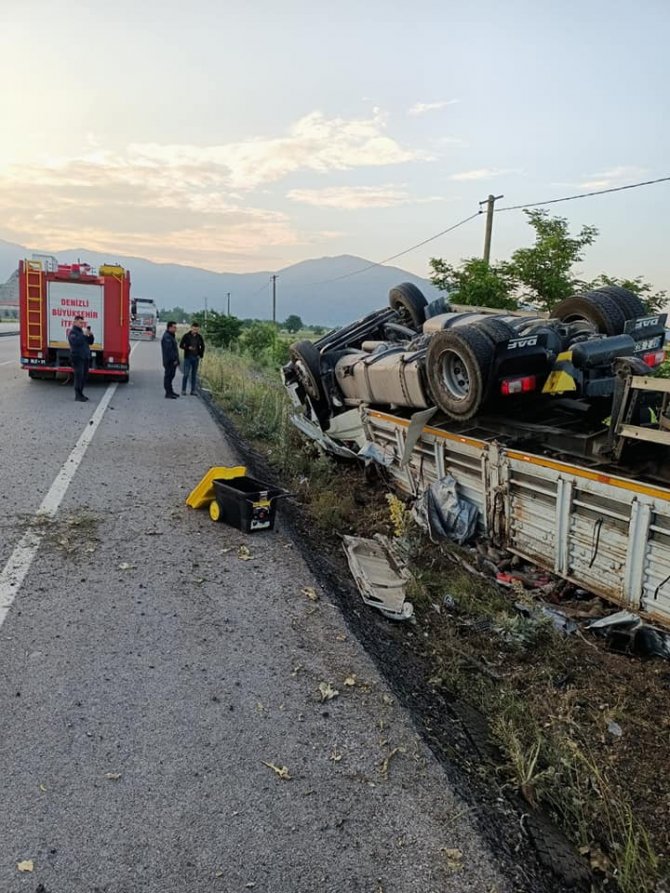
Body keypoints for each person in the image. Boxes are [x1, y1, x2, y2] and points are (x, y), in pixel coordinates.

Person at [68, 315, 94, 402]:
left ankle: (81, 393)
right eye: (80, 322)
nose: (81, 324)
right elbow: (75, 342)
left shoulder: (82, 332)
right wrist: (84, 336)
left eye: (83, 323)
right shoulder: (73, 333)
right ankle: (77, 395)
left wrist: (90, 335)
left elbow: (90, 342)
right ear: (75, 322)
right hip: (77, 357)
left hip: (85, 357)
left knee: (84, 376)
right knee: (79, 376)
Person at [179, 321, 205, 395]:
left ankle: (193, 390)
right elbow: (181, 345)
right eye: (194, 329)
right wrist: (187, 347)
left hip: (196, 358)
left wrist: (201, 355)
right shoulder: (186, 336)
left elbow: (203, 346)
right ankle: (183, 390)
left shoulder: (199, 337)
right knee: (186, 374)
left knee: (194, 375)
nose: (195, 331)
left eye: (197, 329)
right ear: (191, 328)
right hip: (188, 357)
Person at [161, 321, 180, 398]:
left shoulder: (171, 336)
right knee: (168, 377)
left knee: (171, 376)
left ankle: (171, 391)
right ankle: (168, 393)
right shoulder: (167, 337)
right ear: (169, 327)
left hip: (171, 361)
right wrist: (174, 360)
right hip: (169, 361)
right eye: (174, 327)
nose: (175, 329)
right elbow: (169, 350)